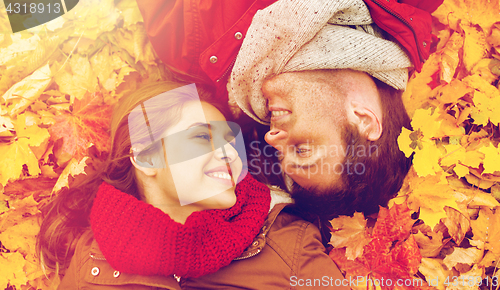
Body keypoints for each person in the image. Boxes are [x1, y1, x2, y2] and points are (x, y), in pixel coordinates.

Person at [134, 0, 443, 218]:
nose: (273, 139)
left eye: (282, 155)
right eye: (304, 150)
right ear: (363, 119)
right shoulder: (414, 5)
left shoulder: (185, 42)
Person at [37, 81, 348, 289]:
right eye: (202, 138)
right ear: (147, 159)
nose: (229, 153)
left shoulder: (287, 246)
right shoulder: (92, 259)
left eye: (228, 140)